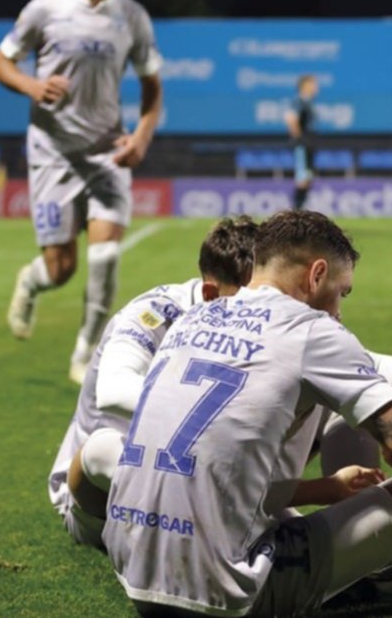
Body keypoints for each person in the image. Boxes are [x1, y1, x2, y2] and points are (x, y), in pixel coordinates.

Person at [102, 211, 392, 616]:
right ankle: (354, 584)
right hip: (221, 593)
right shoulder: (312, 329)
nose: (340, 310)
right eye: (342, 292)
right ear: (316, 275)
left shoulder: (193, 317)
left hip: (133, 567)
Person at [0, 0, 163, 384]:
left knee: (105, 255)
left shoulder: (133, 16)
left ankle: (86, 352)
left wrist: (142, 135)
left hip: (108, 151)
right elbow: (0, 64)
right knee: (61, 267)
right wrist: (32, 86)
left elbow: (152, 86)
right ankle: (31, 283)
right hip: (52, 152)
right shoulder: (44, 8)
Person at [49, 216, 258, 549]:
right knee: (104, 447)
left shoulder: (255, 326)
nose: (262, 313)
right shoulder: (155, 314)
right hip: (98, 492)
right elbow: (113, 392)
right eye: (250, 303)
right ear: (210, 294)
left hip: (184, 473)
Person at [285, 74, 318, 210]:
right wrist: (299, 138)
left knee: (308, 178)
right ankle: (296, 212)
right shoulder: (299, 101)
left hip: (308, 144)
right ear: (305, 86)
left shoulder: (308, 102)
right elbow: (290, 118)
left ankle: (299, 210)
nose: (316, 88)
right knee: (302, 178)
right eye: (313, 84)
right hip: (302, 145)